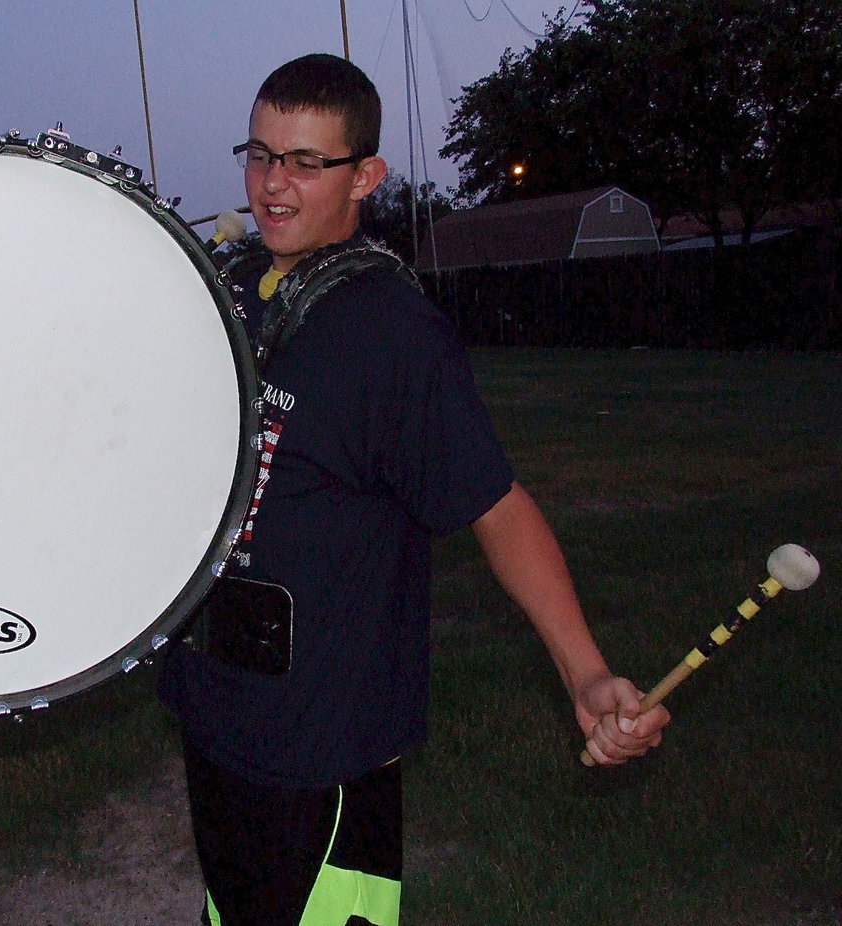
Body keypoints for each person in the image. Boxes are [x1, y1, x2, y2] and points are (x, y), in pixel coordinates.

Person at [158, 52, 670, 926]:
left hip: (323, 727)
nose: (273, 184)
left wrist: (584, 673)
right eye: (261, 154)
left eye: (307, 162)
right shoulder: (230, 290)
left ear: (366, 177)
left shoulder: (393, 335)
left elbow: (497, 508)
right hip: (215, 704)